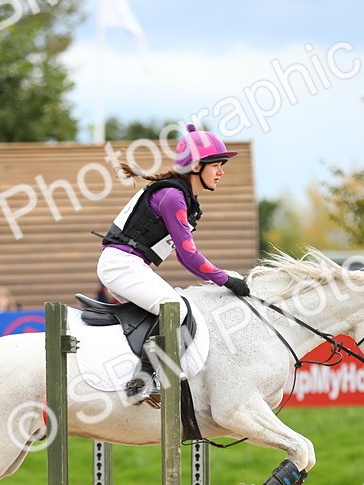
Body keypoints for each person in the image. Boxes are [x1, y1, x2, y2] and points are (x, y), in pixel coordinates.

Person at [96, 124, 250, 402]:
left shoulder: (182, 197)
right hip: (121, 265)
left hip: (129, 264)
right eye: (216, 165)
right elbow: (188, 256)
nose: (221, 171)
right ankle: (141, 381)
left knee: (173, 304)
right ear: (195, 167)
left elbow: (183, 255)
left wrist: (222, 276)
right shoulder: (173, 197)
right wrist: (226, 280)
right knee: (174, 309)